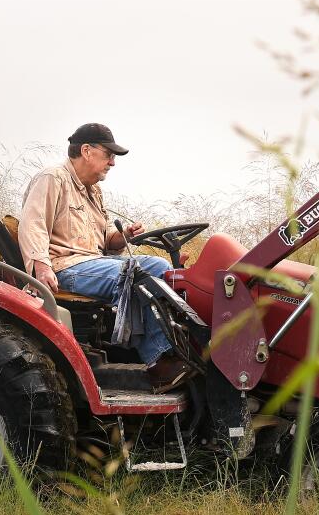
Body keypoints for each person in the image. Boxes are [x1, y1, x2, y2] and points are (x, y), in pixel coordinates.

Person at [18, 123, 192, 390]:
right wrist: (41, 268)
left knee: (160, 267)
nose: (112, 162)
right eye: (108, 154)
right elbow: (33, 224)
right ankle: (160, 361)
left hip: (93, 263)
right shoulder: (52, 179)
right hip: (64, 267)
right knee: (135, 275)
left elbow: (106, 238)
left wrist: (123, 237)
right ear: (86, 151)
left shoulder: (93, 190)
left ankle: (183, 346)